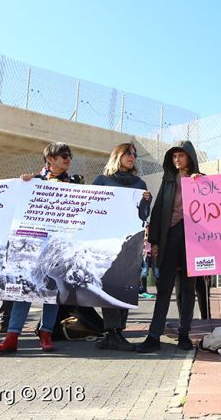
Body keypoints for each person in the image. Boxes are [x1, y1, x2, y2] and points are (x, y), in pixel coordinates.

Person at [0, 142, 73, 354]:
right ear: (50, 160)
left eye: (69, 156)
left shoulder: (76, 183)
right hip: (33, 245)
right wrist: (23, 185)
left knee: (52, 290)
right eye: (63, 155)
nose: (68, 159)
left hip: (58, 245)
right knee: (25, 289)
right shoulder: (33, 181)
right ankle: (12, 336)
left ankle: (46, 333)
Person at [136, 140, 202, 353]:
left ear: (190, 157)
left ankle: (184, 335)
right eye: (174, 156)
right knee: (163, 288)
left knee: (187, 288)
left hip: (192, 240)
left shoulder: (201, 180)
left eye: (180, 156)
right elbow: (157, 211)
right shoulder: (168, 180)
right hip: (169, 237)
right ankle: (154, 335)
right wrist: (154, 241)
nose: (176, 160)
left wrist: (203, 183)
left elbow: (214, 206)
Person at [92, 142, 152, 351]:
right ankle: (111, 332)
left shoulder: (139, 183)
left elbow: (143, 216)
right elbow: (92, 208)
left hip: (130, 243)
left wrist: (146, 201)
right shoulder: (101, 181)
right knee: (107, 284)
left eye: (134, 154)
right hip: (107, 241)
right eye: (128, 153)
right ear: (117, 155)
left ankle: (117, 333)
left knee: (126, 286)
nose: (132, 156)